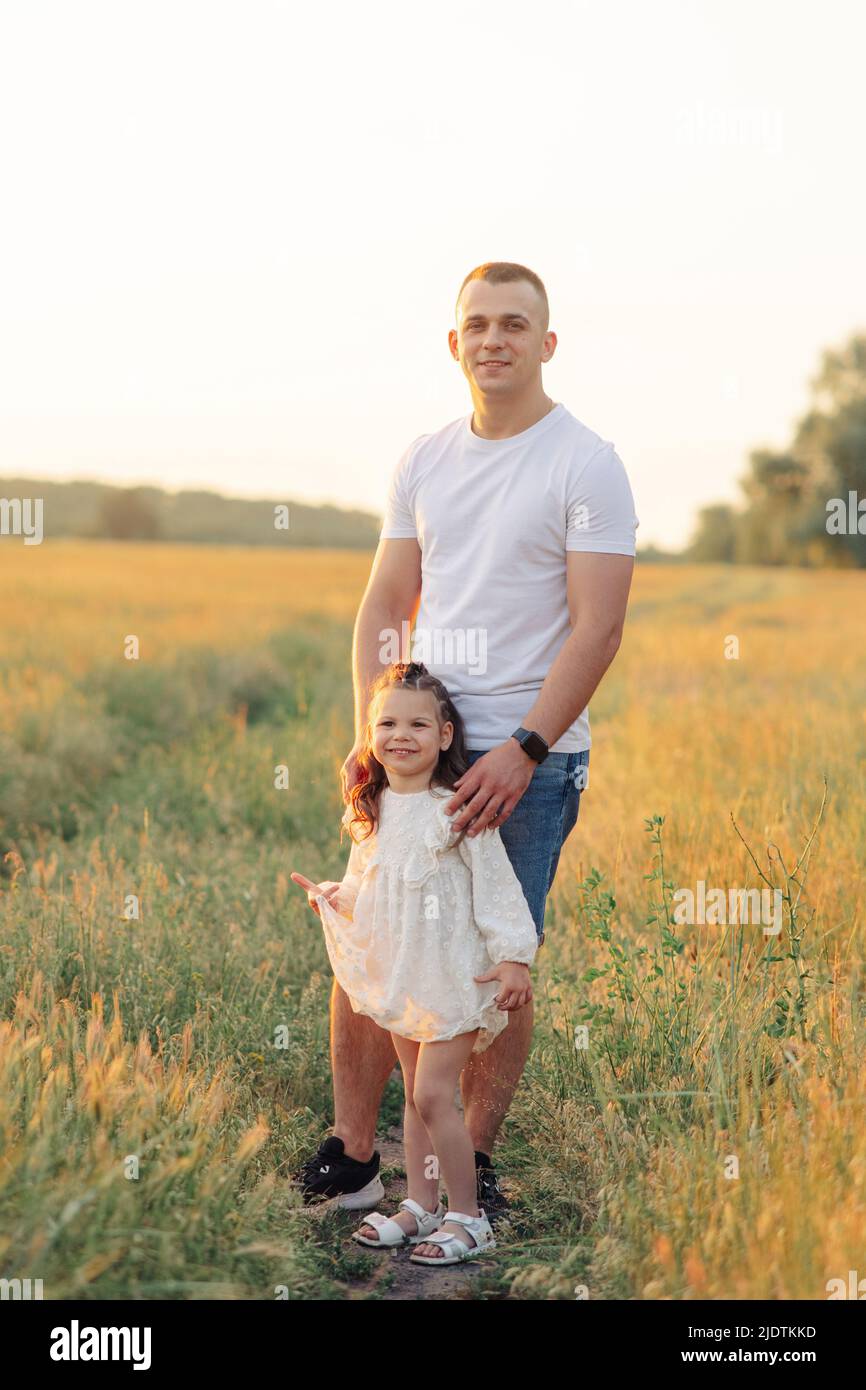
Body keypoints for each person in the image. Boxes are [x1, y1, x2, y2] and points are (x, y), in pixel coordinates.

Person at [294, 260, 638, 1217]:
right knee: (372, 941)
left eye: (516, 325)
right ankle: (356, 1153)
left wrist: (524, 747)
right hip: (415, 757)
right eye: (478, 324)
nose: (495, 339)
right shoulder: (424, 458)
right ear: (455, 343)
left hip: (526, 759)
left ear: (547, 342)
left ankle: (466, 1167)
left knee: (495, 966)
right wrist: (377, 732)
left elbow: (598, 628)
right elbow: (385, 603)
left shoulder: (586, 461)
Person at [292, 661, 538, 1263]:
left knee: (433, 1094)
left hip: (452, 978)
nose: (401, 736)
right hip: (403, 976)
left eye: (418, 725)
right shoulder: (370, 809)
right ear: (371, 734)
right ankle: (422, 1202)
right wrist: (332, 896)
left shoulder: (458, 808)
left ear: (446, 735)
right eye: (388, 723)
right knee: (411, 1094)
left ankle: (468, 1217)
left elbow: (498, 888)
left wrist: (513, 959)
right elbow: (366, 886)